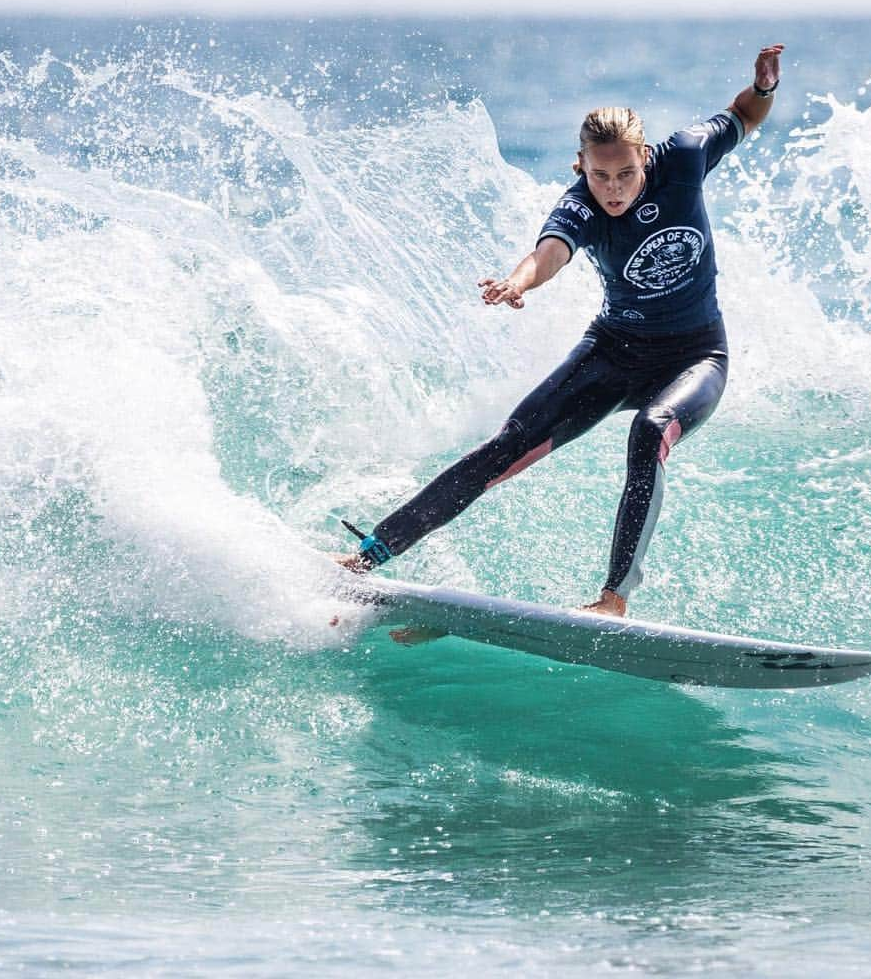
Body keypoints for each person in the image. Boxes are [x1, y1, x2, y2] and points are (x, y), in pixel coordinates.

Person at [336, 44, 785, 637]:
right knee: (503, 450)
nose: (615, 188)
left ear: (646, 159)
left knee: (650, 430)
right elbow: (548, 254)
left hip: (697, 355)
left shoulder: (683, 158)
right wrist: (515, 283)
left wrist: (765, 87)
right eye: (600, 175)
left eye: (626, 173)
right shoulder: (581, 208)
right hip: (613, 352)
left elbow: (743, 116)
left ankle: (613, 599)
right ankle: (366, 557)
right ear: (580, 167)